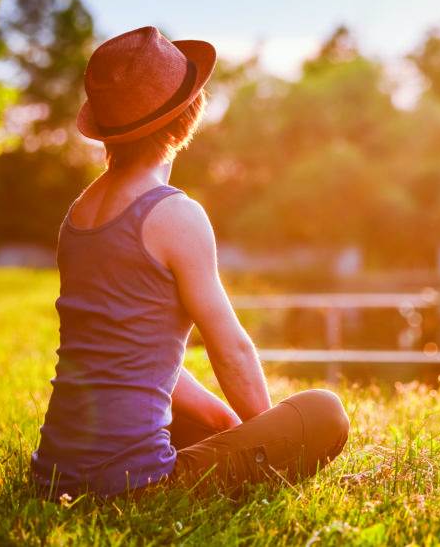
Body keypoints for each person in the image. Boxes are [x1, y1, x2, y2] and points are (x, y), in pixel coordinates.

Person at [30, 26, 349, 499]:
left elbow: (127, 355)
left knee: (209, 421)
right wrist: (260, 437)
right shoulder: (174, 213)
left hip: (53, 476)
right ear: (187, 118)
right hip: (134, 485)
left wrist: (224, 423)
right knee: (325, 412)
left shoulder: (79, 214)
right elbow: (231, 350)